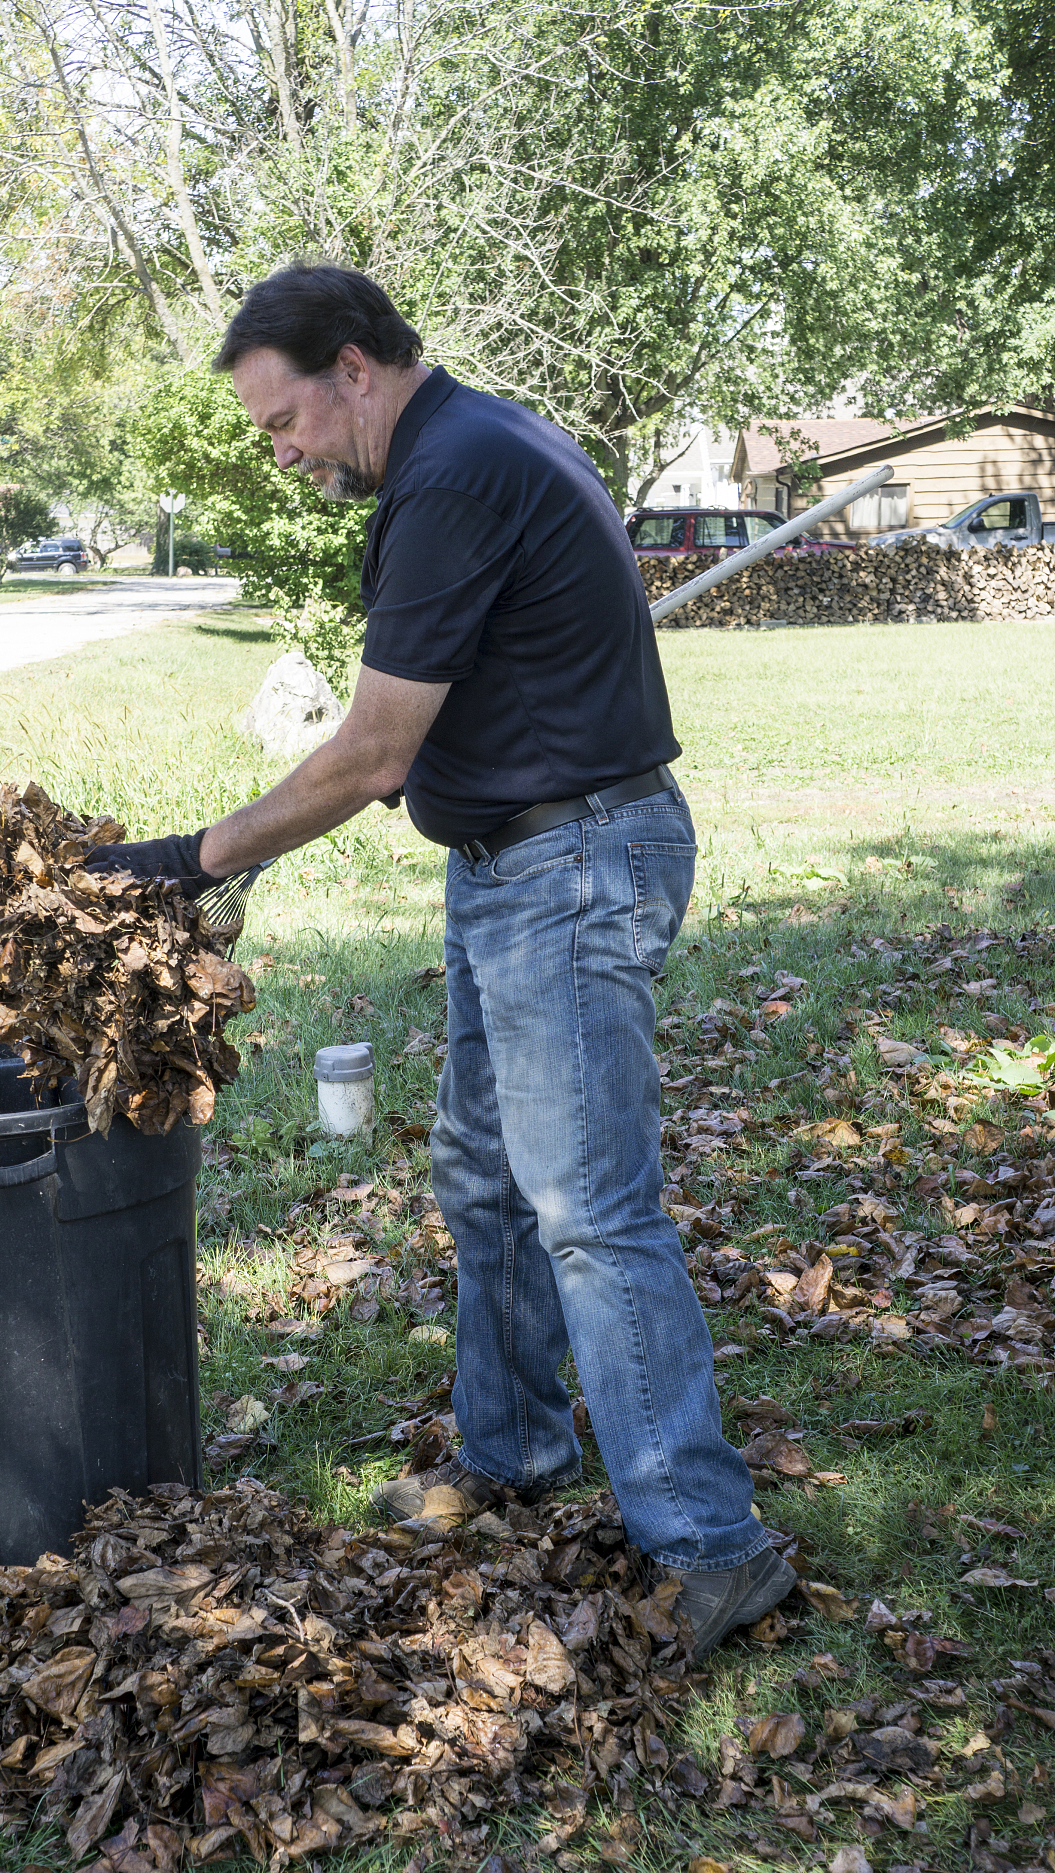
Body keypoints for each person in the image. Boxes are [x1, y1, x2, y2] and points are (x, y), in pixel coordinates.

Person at [88, 263, 794, 1660]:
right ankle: (514, 1445)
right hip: (516, 864)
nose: (279, 454)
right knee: (485, 1177)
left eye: (280, 420)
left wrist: (183, 863)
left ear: (352, 365)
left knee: (589, 1210)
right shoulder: (478, 440)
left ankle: (712, 1546)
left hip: (573, 866)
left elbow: (368, 755)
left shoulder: (454, 473)